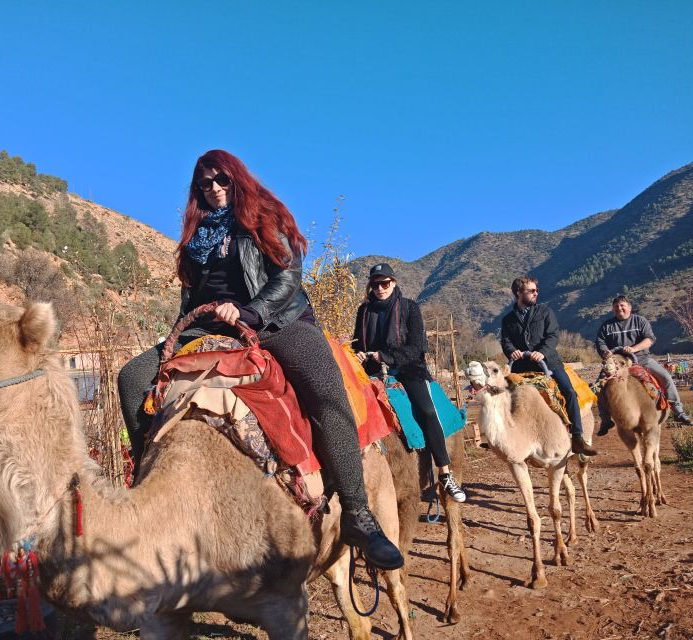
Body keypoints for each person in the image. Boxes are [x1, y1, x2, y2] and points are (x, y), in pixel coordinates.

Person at [117, 149, 403, 570]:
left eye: (221, 180)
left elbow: (288, 277)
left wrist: (252, 312)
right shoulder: (197, 240)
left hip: (278, 321)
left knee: (326, 390)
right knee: (131, 377)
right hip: (210, 328)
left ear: (236, 179)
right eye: (205, 183)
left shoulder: (264, 216)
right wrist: (175, 336)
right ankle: (150, 491)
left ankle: (358, 513)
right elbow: (191, 297)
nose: (213, 188)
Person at [352, 263, 467, 503]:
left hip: (408, 368)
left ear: (393, 283)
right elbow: (357, 344)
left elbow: (417, 347)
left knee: (427, 410)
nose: (380, 288)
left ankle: (445, 473)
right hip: (372, 371)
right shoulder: (364, 311)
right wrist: (359, 354)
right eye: (375, 284)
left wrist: (386, 356)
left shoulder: (408, 308)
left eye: (385, 283)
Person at [500, 277, 598, 456]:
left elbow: (553, 335)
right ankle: (501, 437)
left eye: (536, 289)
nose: (536, 292)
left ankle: (577, 437)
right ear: (519, 293)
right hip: (521, 367)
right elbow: (505, 340)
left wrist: (542, 352)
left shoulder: (545, 312)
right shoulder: (507, 320)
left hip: (549, 363)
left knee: (568, 391)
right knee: (501, 396)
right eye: (531, 290)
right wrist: (511, 351)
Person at [595, 295, 693, 433]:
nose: (619, 308)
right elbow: (600, 342)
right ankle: (606, 420)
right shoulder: (607, 326)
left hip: (641, 358)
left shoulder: (640, 321)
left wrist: (634, 348)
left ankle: (678, 411)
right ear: (613, 309)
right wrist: (605, 351)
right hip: (617, 361)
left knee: (665, 377)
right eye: (616, 306)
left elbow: (649, 339)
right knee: (599, 386)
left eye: (622, 305)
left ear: (629, 307)